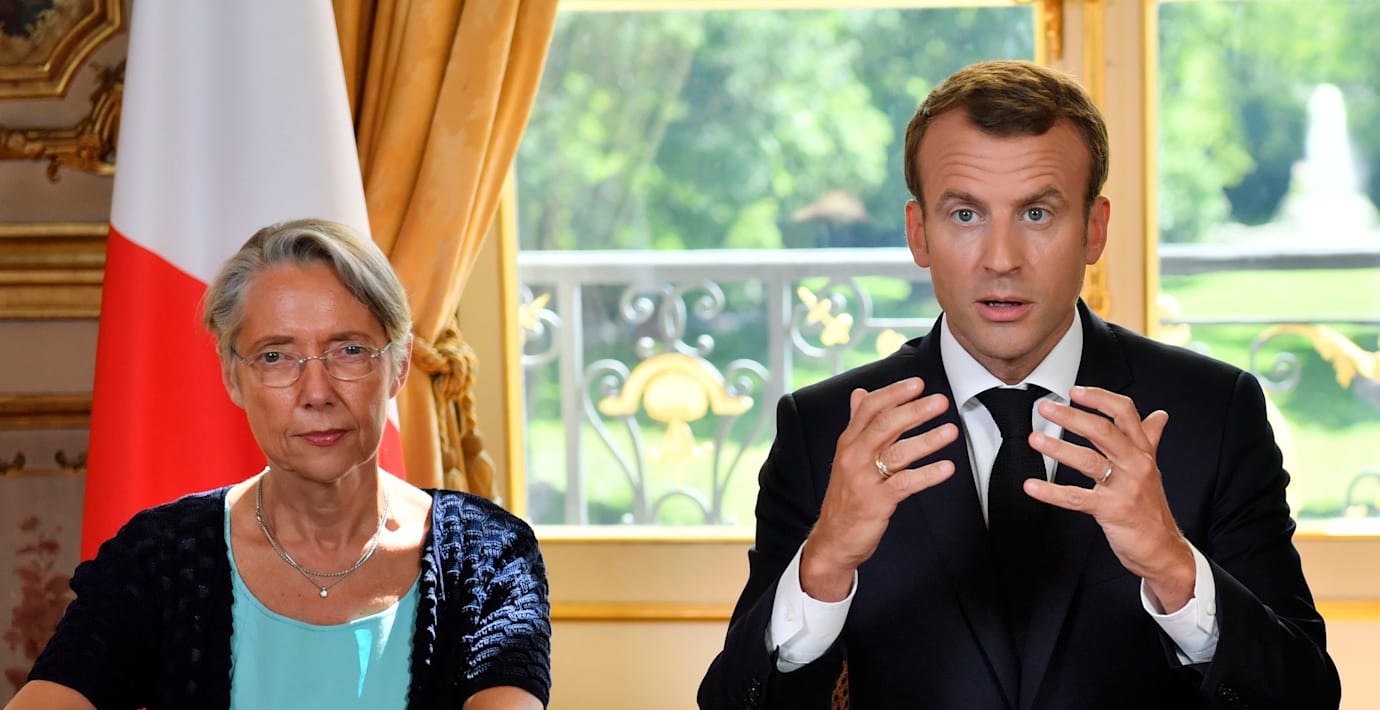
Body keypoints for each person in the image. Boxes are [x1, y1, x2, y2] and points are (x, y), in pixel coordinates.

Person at [698, 60, 1339, 709]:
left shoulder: (1215, 413)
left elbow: (1307, 696)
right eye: (965, 214)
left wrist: (1174, 567)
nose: (1001, 259)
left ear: (1094, 229)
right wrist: (823, 565)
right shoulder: (825, 429)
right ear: (919, 233)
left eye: (1036, 213)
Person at [6, 219, 552, 709]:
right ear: (232, 376)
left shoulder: (489, 556)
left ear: (400, 364)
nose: (316, 392)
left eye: (349, 350)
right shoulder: (159, 557)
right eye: (275, 356)